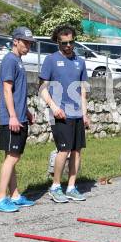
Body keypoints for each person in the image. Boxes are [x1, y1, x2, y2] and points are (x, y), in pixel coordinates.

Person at [39, 25, 90, 203]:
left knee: (77, 150)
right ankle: (55, 186)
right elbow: (43, 88)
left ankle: (71, 187)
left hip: (77, 114)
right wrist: (53, 107)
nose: (68, 46)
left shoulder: (80, 61)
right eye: (64, 43)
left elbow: (83, 90)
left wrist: (85, 113)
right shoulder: (50, 60)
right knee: (64, 150)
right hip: (59, 113)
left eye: (71, 42)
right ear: (58, 42)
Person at [0, 27, 36, 212]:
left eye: (30, 43)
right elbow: (6, 89)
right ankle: (1, 199)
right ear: (15, 41)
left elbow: (17, 92)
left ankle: (15, 195)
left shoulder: (17, 61)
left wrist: (25, 111)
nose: (28, 46)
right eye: (25, 42)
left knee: (11, 157)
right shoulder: (10, 60)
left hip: (19, 116)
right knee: (12, 158)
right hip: (12, 119)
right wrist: (12, 116)